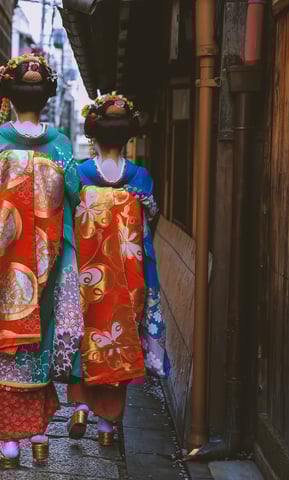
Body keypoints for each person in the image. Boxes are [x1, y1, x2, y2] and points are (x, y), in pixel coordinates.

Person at [0, 54, 84, 469]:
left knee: (7, 339)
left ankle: (10, 443)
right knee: (41, 338)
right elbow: (76, 194)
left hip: (5, 261)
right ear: (47, 96)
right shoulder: (60, 144)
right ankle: (41, 436)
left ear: (6, 94)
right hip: (48, 261)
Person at [67, 92, 171, 446]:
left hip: (86, 271)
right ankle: (108, 426)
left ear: (91, 135)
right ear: (128, 136)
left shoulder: (80, 174)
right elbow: (147, 226)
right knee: (119, 338)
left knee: (85, 332)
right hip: (128, 272)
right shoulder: (140, 178)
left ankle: (80, 406)